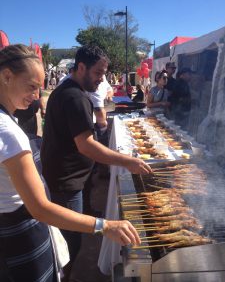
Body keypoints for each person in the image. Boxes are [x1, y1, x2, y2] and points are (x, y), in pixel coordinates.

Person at [0, 44, 142, 282]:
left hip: (15, 224)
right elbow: (40, 208)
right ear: (6, 76)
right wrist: (105, 226)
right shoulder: (8, 132)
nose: (37, 97)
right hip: (21, 231)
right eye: (32, 87)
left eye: (39, 88)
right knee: (69, 250)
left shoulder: (10, 118)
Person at [41, 45, 151, 278]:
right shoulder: (75, 97)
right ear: (81, 67)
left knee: (68, 243)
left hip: (63, 179)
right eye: (98, 73)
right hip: (66, 183)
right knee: (69, 247)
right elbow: (86, 145)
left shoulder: (65, 90)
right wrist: (127, 161)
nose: (102, 80)